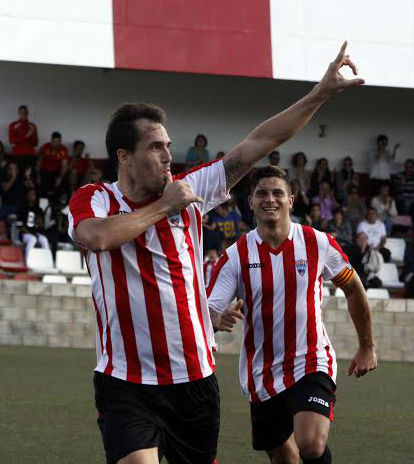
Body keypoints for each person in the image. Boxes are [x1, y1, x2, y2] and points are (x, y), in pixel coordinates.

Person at [68, 42, 364, 464]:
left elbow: (258, 143)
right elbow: (96, 237)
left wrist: (322, 91)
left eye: (168, 145)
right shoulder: (95, 198)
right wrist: (167, 206)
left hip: (193, 379)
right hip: (125, 380)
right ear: (124, 156)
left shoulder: (193, 189)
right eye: (155, 147)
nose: (169, 156)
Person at [207, 166, 377, 464]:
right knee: (285, 457)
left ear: (291, 200)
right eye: (261, 193)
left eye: (277, 193)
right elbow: (207, 310)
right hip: (261, 372)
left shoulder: (318, 243)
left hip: (311, 360)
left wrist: (367, 346)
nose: (269, 199)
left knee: (311, 444)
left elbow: (354, 289)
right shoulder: (236, 256)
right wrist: (214, 321)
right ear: (250, 201)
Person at [20, 189, 50, 260]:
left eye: (33, 194)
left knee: (44, 240)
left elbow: (42, 226)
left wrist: (40, 222)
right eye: (30, 194)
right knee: (32, 239)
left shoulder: (39, 210)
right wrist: (28, 232)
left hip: (36, 233)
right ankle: (28, 262)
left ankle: (46, 261)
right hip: (25, 234)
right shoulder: (22, 208)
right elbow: (19, 225)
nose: (31, 196)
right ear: (27, 196)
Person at [38, 131, 70, 196]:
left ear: (60, 141)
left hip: (56, 171)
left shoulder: (64, 150)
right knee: (42, 182)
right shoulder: (45, 147)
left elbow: (64, 165)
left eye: (57, 141)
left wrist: (60, 177)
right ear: (51, 140)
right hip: (45, 170)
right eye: (53, 141)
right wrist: (37, 174)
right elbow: (39, 161)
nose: (55, 143)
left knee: (64, 179)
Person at [8, 105, 38, 169]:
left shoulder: (32, 126)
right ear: (18, 113)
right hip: (18, 154)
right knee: (18, 176)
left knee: (30, 176)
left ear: (27, 113)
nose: (23, 114)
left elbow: (35, 143)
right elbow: (11, 141)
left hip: (30, 154)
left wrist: (32, 135)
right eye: (21, 112)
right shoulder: (13, 125)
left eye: (25, 112)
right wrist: (27, 135)